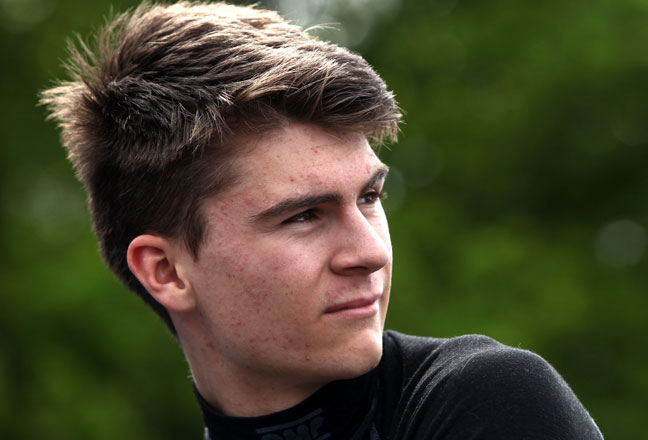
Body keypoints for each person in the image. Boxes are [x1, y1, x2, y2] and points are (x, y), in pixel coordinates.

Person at [40, 2, 604, 439]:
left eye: (370, 197)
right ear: (165, 271)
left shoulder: (485, 400)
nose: (371, 253)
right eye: (305, 216)